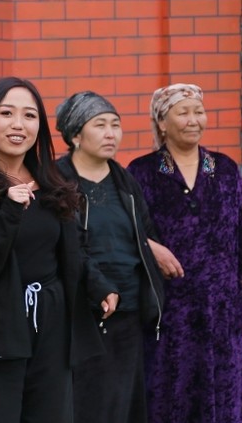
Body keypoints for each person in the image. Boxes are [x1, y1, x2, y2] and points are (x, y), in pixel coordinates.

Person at [0, 76, 101, 423]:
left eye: (29, 115)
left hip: (51, 332)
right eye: (6, 113)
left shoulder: (53, 183)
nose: (18, 125)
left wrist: (99, 285)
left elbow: (72, 251)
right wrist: (9, 211)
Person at [126, 83, 242, 423]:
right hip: (169, 316)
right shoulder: (142, 172)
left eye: (198, 111)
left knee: (223, 405)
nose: (193, 120)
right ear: (162, 123)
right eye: (182, 112)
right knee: (170, 403)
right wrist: (149, 248)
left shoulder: (224, 169)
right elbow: (123, 230)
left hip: (221, 314)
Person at [53, 91, 166, 423]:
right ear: (75, 135)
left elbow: (144, 232)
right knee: (87, 403)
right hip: (81, 311)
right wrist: (98, 286)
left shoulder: (124, 180)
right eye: (100, 125)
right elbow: (65, 245)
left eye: (115, 125)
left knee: (125, 404)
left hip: (128, 309)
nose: (110, 133)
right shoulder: (57, 181)